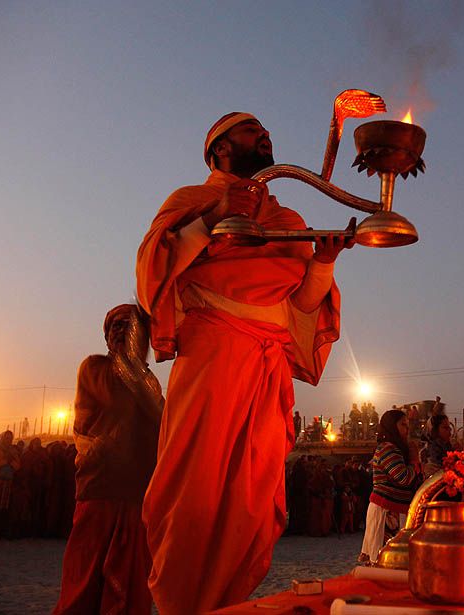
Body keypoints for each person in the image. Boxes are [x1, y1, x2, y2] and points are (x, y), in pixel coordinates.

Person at [135, 112, 353, 614]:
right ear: (219, 149)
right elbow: (153, 268)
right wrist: (214, 217)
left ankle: (222, 602)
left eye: (266, 130)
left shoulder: (289, 220)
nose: (266, 135)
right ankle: (176, 603)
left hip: (268, 361)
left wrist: (323, 261)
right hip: (213, 350)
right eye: (251, 130)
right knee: (194, 484)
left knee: (252, 501)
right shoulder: (191, 200)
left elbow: (300, 306)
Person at [54, 304, 163, 615]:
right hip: (98, 488)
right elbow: (122, 408)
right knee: (84, 580)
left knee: (131, 586)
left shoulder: (149, 383)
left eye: (128, 326)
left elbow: (165, 430)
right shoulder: (95, 368)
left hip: (138, 494)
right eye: (114, 326)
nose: (119, 331)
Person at [359, 410, 421, 565]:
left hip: (399, 510)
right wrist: (414, 460)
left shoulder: (398, 449)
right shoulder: (387, 448)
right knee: (385, 561)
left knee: (398, 562)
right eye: (402, 425)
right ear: (391, 427)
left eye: (407, 425)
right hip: (386, 512)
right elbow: (403, 478)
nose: (407, 429)